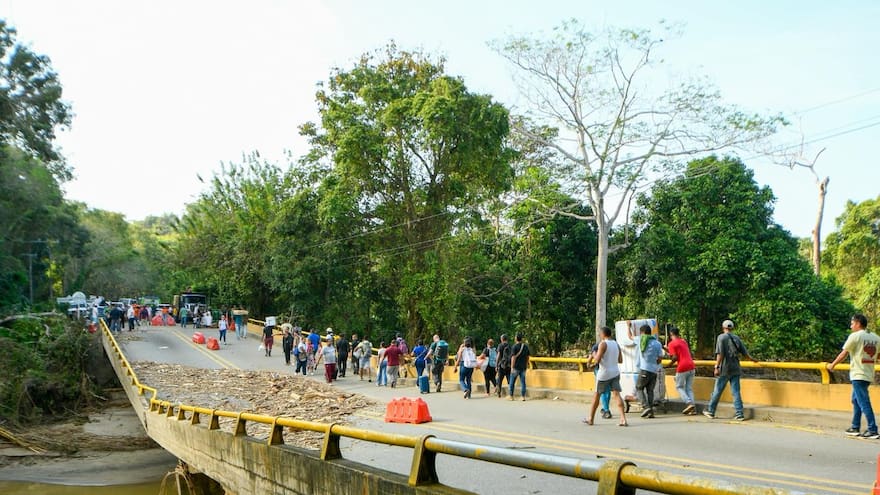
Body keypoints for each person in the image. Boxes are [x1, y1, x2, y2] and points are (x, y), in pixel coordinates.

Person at [827, 314, 880, 439]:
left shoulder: (855, 336)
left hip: (857, 373)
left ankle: (872, 429)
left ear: (857, 323)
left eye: (852, 323)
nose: (851, 326)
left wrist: (832, 365)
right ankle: (855, 426)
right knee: (856, 400)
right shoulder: (876, 338)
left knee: (863, 401)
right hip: (868, 373)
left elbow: (844, 353)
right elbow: (878, 356)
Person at [703, 320, 759, 421]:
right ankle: (739, 414)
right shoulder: (736, 338)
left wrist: (716, 367)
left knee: (718, 390)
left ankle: (711, 411)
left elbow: (720, 354)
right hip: (735, 368)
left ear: (723, 327)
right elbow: (745, 353)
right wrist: (753, 359)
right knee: (736, 392)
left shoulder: (721, 337)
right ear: (732, 328)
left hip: (725, 368)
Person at [584, 326, 628, 426]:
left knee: (596, 396)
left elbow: (597, 360)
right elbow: (620, 360)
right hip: (615, 372)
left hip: (604, 374)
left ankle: (590, 418)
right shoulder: (616, 344)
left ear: (603, 334)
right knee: (617, 395)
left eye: (600, 334)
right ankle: (623, 418)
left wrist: (594, 354)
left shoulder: (603, 344)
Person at [666, 326, 697, 415]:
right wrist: (666, 349)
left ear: (671, 334)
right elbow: (678, 352)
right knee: (689, 388)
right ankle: (693, 408)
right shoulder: (683, 341)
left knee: (679, 387)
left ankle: (689, 403)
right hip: (691, 365)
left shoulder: (671, 344)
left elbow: (675, 357)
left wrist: (668, 366)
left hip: (682, 367)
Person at [635, 324, 663, 418]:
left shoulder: (640, 340)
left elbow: (630, 338)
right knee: (650, 390)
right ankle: (650, 412)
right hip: (654, 371)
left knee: (639, 387)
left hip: (644, 370)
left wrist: (628, 327)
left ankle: (645, 406)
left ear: (642, 332)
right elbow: (659, 359)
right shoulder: (658, 343)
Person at [589, 341, 612, 419]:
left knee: (602, 391)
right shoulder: (612, 345)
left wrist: (589, 364)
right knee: (607, 391)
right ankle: (606, 407)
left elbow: (593, 358)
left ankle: (606, 410)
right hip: (610, 371)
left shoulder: (596, 347)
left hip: (600, 371)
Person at [508, 333, 530, 401]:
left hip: (516, 367)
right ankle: (523, 397)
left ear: (516, 338)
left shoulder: (514, 347)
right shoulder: (526, 347)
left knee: (512, 382)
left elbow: (513, 358)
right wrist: (526, 365)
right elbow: (528, 357)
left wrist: (512, 367)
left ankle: (511, 396)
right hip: (523, 367)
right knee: (523, 382)